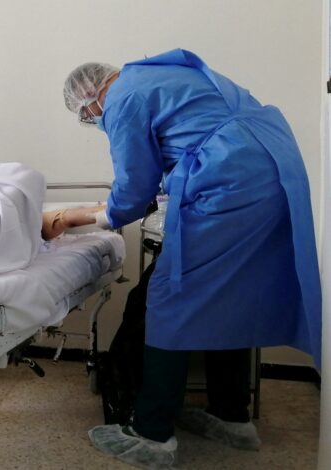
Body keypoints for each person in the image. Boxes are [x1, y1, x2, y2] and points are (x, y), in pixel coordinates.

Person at [63, 49, 321, 469]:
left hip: (229, 182)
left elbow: (132, 189)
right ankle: (232, 417)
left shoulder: (122, 98)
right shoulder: (159, 75)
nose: (93, 121)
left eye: (86, 116)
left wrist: (79, 217)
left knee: (169, 298)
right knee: (232, 296)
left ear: (90, 98)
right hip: (273, 167)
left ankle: (152, 434)